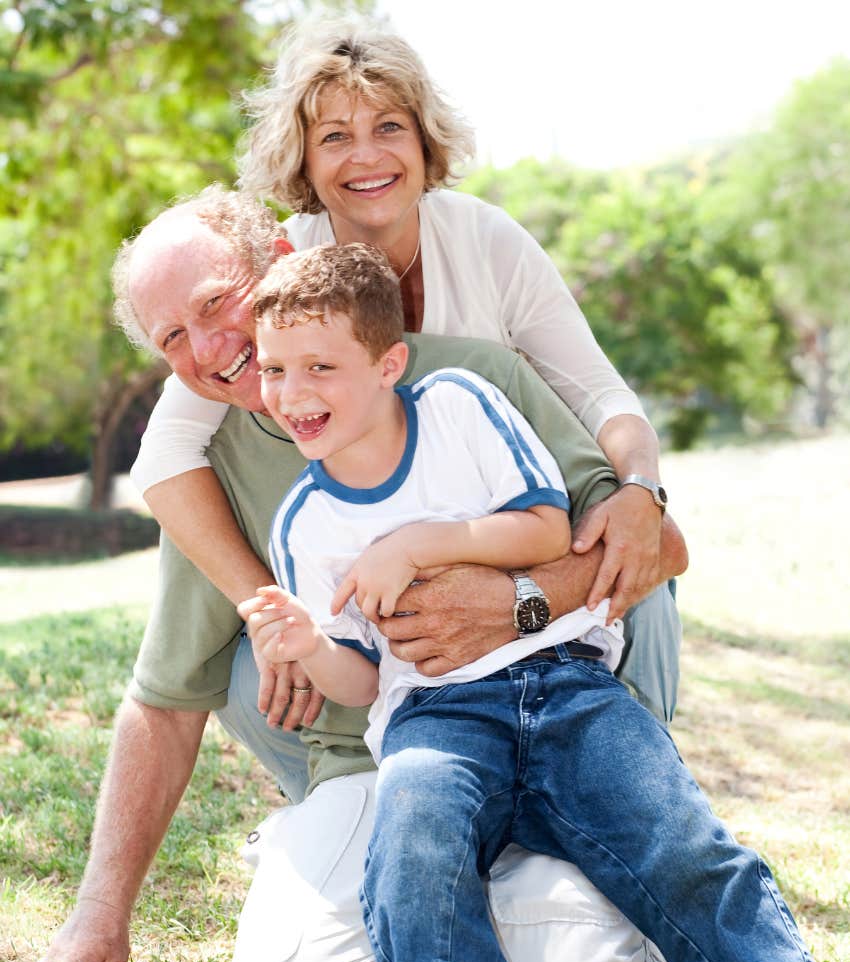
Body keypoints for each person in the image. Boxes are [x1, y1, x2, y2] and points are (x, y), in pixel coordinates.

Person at [2, 188, 690, 962]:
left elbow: (656, 549)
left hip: (543, 733)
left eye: (218, 303)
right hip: (367, 770)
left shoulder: (468, 381)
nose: (210, 345)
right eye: (173, 338)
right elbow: (163, 698)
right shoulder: (210, 467)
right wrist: (97, 913)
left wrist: (509, 601)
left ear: (283, 265)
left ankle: (637, 903)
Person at [247, 241, 833, 962]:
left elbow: (547, 528)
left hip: (567, 685)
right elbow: (360, 680)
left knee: (685, 851)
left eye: (320, 366)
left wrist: (418, 544)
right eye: (273, 369)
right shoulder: (304, 525)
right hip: (434, 718)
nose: (292, 392)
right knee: (412, 870)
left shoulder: (459, 405)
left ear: (388, 365)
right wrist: (309, 646)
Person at [130, 15, 681, 730]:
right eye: (333, 137)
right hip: (377, 603)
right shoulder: (279, 276)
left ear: (424, 141)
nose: (366, 157)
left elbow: (600, 395)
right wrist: (269, 606)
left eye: (389, 127)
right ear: (302, 161)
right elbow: (165, 454)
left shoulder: (487, 243)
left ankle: (642, 761)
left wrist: (641, 486)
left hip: (504, 539)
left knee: (641, 559)